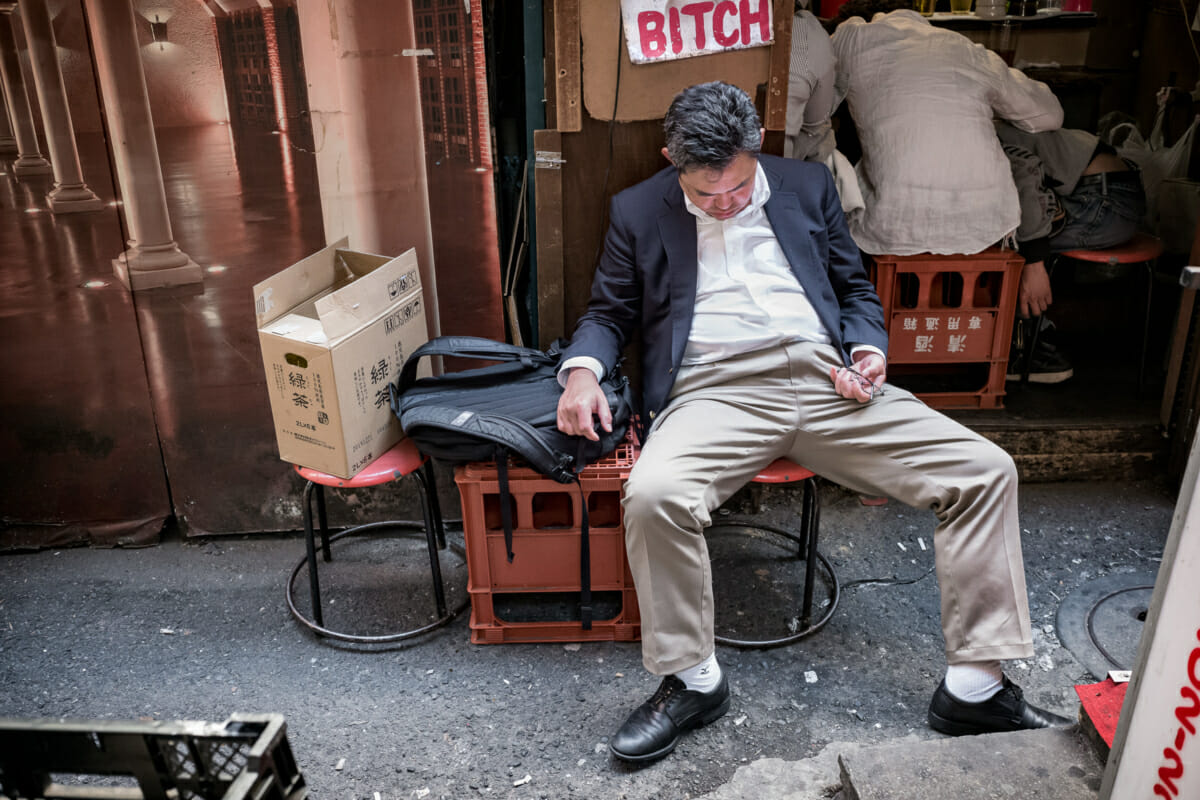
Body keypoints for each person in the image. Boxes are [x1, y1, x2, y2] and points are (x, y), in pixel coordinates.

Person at [555, 81, 1070, 764]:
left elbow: (853, 286)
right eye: (707, 196)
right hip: (713, 389)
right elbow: (608, 312)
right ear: (671, 159)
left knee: (984, 471)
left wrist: (867, 348)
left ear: (756, 149)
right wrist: (582, 372)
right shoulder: (639, 209)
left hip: (828, 379)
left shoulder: (804, 185)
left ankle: (975, 688)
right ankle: (691, 679)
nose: (728, 205)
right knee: (654, 496)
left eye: (739, 188)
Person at [829, 3, 1063, 256]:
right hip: (987, 221)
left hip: (892, 224)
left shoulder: (850, 39)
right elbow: (1049, 116)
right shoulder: (964, 48)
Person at [997, 121, 1148, 383]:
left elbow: (1024, 173)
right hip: (1111, 190)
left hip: (1103, 201)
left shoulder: (974, 130)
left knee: (1001, 245)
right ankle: (1032, 338)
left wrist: (1033, 261)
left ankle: (1032, 354)